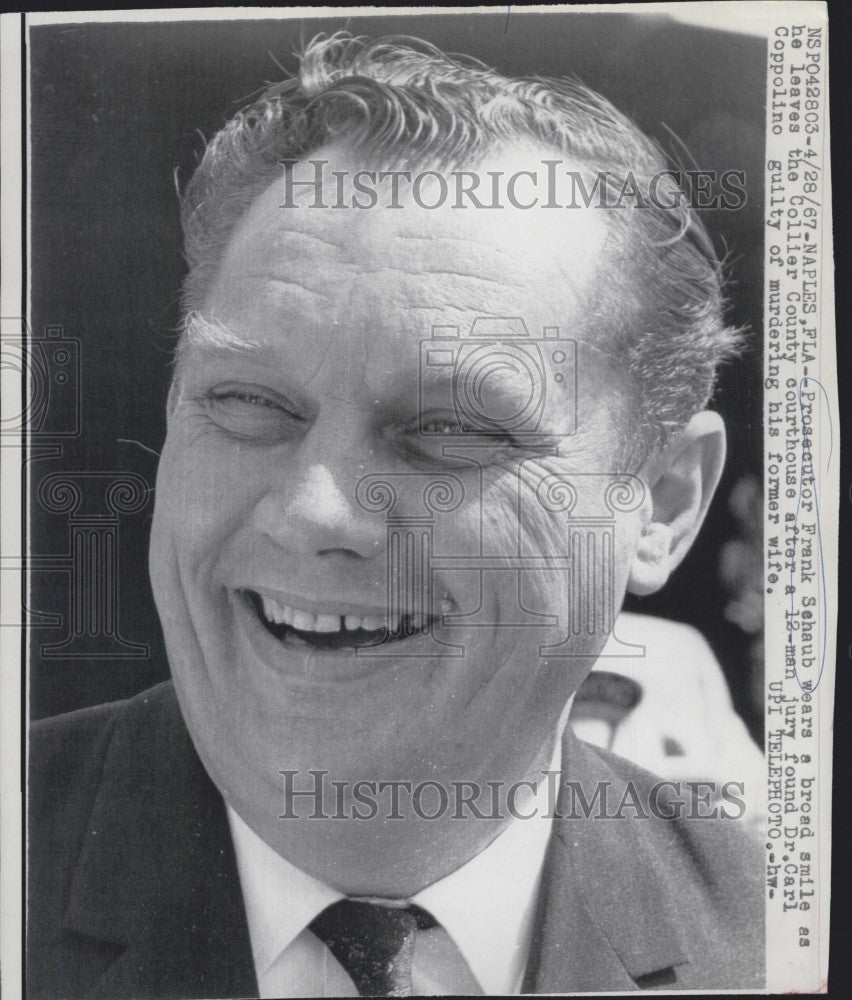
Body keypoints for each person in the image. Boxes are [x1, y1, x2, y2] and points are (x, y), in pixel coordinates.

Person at [27, 33, 763, 997]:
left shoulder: (776, 944)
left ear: (663, 500)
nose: (310, 511)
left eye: (448, 430)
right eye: (249, 405)